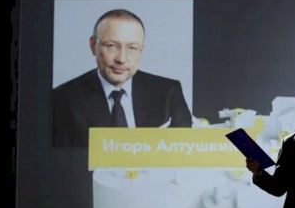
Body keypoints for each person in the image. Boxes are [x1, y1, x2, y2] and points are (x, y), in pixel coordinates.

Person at [52, 8, 192, 147]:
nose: (121, 59)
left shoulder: (168, 92)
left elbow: (186, 151)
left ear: (141, 50)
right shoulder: (63, 98)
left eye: (132, 48)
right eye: (112, 46)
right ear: (93, 46)